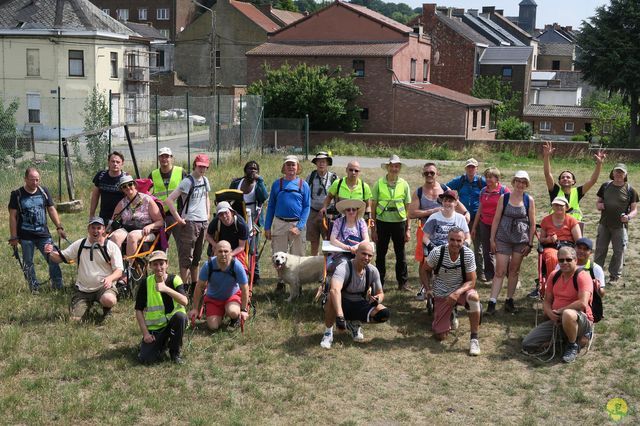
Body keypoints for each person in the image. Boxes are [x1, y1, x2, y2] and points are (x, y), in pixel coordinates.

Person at [522, 246, 594, 363]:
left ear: (575, 260)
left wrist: (561, 311)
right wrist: (550, 313)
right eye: (561, 260)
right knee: (528, 343)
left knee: (568, 314)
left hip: (579, 318)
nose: (564, 262)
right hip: (557, 319)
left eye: (568, 259)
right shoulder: (554, 275)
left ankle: (572, 345)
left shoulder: (583, 276)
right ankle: (565, 341)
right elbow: (547, 301)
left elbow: (582, 303)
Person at [45, 217, 123, 321]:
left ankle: (106, 309)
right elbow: (60, 258)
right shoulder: (80, 244)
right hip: (83, 290)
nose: (95, 231)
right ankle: (85, 308)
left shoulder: (111, 246)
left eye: (98, 228)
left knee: (109, 299)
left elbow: (119, 271)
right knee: (74, 320)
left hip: (103, 288)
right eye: (93, 228)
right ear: (88, 229)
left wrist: (110, 279)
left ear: (103, 229)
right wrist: (50, 252)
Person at [409, 162, 468, 299]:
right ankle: (425, 287)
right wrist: (431, 211)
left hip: (447, 230)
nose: (429, 175)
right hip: (425, 228)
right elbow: (411, 213)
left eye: (432, 173)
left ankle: (449, 285)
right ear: (423, 174)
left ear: (437, 174)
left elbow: (456, 202)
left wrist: (466, 213)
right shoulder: (419, 192)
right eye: (426, 173)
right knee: (424, 260)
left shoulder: (444, 188)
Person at [423, 227, 481, 356]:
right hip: (441, 292)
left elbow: (472, 281)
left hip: (460, 291)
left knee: (474, 298)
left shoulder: (468, 254)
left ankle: (474, 338)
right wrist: (428, 289)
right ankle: (449, 313)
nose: (455, 243)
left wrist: (457, 293)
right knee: (440, 336)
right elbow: (424, 269)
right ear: (447, 239)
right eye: (452, 240)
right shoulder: (437, 252)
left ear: (464, 240)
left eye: (459, 240)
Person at [320, 242, 390, 349]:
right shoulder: (343, 267)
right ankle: (328, 333)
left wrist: (377, 299)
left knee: (384, 313)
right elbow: (335, 290)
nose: (366, 258)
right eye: (364, 254)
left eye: (370, 255)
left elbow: (381, 293)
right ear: (356, 253)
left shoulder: (372, 271)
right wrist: (340, 316)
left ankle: (353, 324)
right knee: (331, 296)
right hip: (341, 303)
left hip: (359, 303)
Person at [8, 167, 66, 292]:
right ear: (25, 179)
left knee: (53, 258)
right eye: (32, 180)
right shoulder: (17, 194)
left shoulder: (43, 191)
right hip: (25, 236)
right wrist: (13, 236)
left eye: (37, 180)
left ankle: (58, 286)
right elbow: (12, 216)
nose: (35, 183)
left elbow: (51, 209)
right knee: (28, 262)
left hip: (43, 234)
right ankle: (33, 288)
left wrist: (59, 227)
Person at [487, 171, 536, 314]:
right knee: (500, 271)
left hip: (520, 240)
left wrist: (530, 243)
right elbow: (496, 219)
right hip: (503, 237)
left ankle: (509, 300)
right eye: (518, 181)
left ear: (526, 184)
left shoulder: (529, 200)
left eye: (523, 182)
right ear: (513, 182)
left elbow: (533, 224)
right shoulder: (505, 197)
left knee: (514, 271)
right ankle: (492, 302)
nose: (520, 184)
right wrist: (492, 239)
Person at [165, 154, 212, 289]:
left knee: (197, 258)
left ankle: (194, 286)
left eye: (205, 167)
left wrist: (207, 214)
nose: (202, 169)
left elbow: (206, 197)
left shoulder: (205, 180)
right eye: (200, 166)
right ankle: (183, 288)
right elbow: (169, 200)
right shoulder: (187, 181)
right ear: (195, 165)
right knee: (186, 258)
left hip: (203, 222)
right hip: (190, 223)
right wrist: (178, 218)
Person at [135, 250, 188, 364]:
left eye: (161, 263)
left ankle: (175, 353)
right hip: (155, 329)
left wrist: (166, 289)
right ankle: (161, 344)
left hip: (173, 323)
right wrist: (145, 334)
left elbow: (184, 301)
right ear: (150, 266)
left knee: (181, 317)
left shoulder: (175, 279)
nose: (158, 267)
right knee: (146, 359)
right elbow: (138, 310)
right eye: (155, 264)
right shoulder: (146, 282)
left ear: (167, 264)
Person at [371, 155, 412, 291]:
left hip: (399, 223)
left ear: (399, 168)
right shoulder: (379, 183)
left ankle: (403, 283)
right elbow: (373, 207)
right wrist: (373, 228)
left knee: (401, 254)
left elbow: (407, 208)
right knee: (380, 254)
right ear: (388, 167)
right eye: (392, 166)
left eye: (397, 166)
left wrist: (408, 229)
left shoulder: (404, 184)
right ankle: (379, 282)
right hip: (382, 223)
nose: (394, 169)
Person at [189, 241, 249, 330]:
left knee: (233, 312)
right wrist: (195, 308)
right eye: (220, 251)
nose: (223, 254)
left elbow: (245, 288)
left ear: (231, 252)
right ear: (215, 252)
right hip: (213, 298)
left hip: (232, 296)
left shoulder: (236, 265)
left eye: (226, 251)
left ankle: (234, 318)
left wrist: (243, 310)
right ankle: (219, 314)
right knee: (213, 327)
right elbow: (199, 287)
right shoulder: (208, 265)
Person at [594, 163, 638, 284]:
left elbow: (635, 210)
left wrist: (628, 217)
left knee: (619, 252)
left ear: (625, 175)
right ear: (612, 173)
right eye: (617, 172)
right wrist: (599, 205)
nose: (619, 174)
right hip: (604, 224)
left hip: (620, 226)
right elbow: (598, 202)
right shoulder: (605, 186)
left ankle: (614, 276)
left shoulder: (630, 190)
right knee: (600, 250)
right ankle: (596, 275)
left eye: (621, 172)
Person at [542, 140, 605, 222]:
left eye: (568, 177)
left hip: (574, 227)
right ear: (559, 182)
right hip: (557, 225)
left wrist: (599, 164)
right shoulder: (555, 191)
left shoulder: (577, 192)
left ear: (573, 181)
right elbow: (547, 174)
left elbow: (593, 180)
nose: (565, 178)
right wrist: (546, 156)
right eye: (563, 177)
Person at [447, 158, 486, 280]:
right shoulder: (460, 180)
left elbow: (494, 188)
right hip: (463, 219)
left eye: (473, 167)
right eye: (469, 167)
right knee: (460, 244)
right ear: (465, 168)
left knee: (478, 246)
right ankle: (459, 270)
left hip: (478, 218)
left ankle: (480, 272)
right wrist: (455, 200)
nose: (471, 169)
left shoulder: (481, 181)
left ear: (477, 168)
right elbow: (446, 188)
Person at [229, 160, 268, 283]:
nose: (253, 171)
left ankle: (255, 274)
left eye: (255, 169)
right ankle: (237, 270)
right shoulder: (237, 183)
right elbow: (229, 197)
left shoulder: (258, 184)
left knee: (253, 248)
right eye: (250, 168)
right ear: (245, 170)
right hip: (237, 219)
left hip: (254, 220)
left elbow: (263, 197)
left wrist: (260, 180)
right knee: (238, 246)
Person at [264, 155, 311, 257]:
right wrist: (267, 227)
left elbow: (307, 207)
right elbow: (271, 206)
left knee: (298, 258)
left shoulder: (304, 185)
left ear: (297, 167)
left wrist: (299, 227)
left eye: (293, 165)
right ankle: (281, 274)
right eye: (288, 165)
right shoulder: (276, 184)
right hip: (280, 223)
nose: (290, 167)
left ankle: (297, 274)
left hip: (297, 223)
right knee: (278, 257)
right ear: (284, 167)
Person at [109, 175, 164, 257]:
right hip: (127, 228)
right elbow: (113, 221)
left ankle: (130, 266)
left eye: (130, 184)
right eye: (124, 186)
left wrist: (150, 226)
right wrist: (105, 233)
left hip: (145, 230)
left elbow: (160, 221)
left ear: (134, 185)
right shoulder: (122, 203)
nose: (128, 187)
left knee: (132, 236)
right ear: (122, 189)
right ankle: (119, 264)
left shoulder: (147, 199)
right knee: (115, 236)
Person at [470, 167, 509, 285]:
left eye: (490, 177)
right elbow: (480, 209)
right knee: (487, 251)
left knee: (503, 251)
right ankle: (490, 277)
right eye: (486, 176)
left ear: (497, 178)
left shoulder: (504, 191)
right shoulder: (483, 191)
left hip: (500, 226)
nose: (488, 179)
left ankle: (510, 276)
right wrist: (474, 227)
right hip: (484, 224)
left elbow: (509, 209)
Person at [539, 196, 582, 278]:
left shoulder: (571, 220)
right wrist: (548, 240)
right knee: (552, 256)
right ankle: (552, 280)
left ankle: (570, 279)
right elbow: (541, 240)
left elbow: (579, 240)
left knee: (567, 256)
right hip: (551, 246)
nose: (558, 207)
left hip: (568, 246)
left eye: (561, 205)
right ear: (552, 207)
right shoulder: (545, 220)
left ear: (566, 207)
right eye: (556, 205)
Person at [149, 147, 186, 237]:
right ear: (158, 158)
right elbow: (147, 194)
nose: (164, 159)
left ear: (171, 158)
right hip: (160, 215)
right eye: (162, 156)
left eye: (167, 156)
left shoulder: (181, 172)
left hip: (177, 213)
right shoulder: (153, 174)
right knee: (161, 243)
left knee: (181, 242)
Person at [306, 152, 338, 255]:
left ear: (327, 163)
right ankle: (314, 265)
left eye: (323, 162)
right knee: (314, 241)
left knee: (327, 241)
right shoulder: (310, 176)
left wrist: (335, 214)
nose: (321, 164)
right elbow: (305, 194)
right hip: (313, 213)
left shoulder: (334, 178)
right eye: (319, 161)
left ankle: (326, 266)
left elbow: (337, 197)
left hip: (328, 214)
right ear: (316, 163)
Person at [205, 201, 249, 268]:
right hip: (220, 249)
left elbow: (241, 247)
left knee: (239, 267)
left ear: (232, 212)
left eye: (226, 213)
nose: (224, 216)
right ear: (218, 216)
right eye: (221, 214)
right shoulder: (216, 221)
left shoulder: (241, 224)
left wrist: (229, 254)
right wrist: (216, 245)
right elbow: (208, 236)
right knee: (213, 266)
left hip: (236, 250)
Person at [329, 199, 369, 269]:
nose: (351, 212)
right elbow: (332, 239)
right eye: (348, 210)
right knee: (343, 264)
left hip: (358, 253)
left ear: (357, 211)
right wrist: (345, 247)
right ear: (344, 211)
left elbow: (366, 239)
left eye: (353, 210)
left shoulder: (361, 222)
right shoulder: (338, 221)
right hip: (341, 253)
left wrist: (356, 247)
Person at [90, 151, 127, 223]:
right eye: (112, 161)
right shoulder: (101, 176)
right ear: (108, 162)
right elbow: (95, 196)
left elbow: (130, 198)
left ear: (122, 163)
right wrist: (92, 215)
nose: (115, 164)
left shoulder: (126, 178)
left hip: (121, 217)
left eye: (118, 162)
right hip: (103, 216)